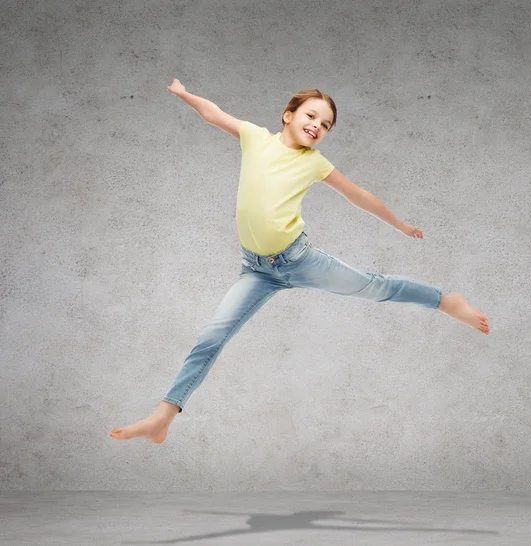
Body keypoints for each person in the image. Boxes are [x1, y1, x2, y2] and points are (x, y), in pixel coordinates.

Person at [110, 79, 490, 444]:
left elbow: (358, 195)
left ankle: (445, 301)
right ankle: (162, 418)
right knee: (211, 337)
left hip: (298, 260)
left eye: (325, 125)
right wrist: (184, 94)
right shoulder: (256, 138)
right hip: (256, 270)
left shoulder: (315, 163)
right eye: (311, 116)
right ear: (287, 115)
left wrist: (401, 225)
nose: (317, 127)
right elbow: (214, 114)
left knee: (374, 286)